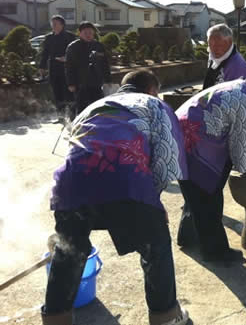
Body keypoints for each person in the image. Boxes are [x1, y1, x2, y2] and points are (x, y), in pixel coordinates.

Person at [42, 69, 190, 325]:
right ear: (152, 89)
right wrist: (153, 201)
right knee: (155, 246)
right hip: (125, 177)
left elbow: (73, 149)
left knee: (69, 251)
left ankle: (56, 319)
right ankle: (166, 317)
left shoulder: (93, 107)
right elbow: (166, 159)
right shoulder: (154, 104)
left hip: (72, 182)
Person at [175, 69, 246, 263]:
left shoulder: (236, 86)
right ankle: (216, 253)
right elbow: (243, 149)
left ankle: (188, 238)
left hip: (178, 135)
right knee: (209, 200)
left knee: (194, 195)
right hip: (195, 143)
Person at [176, 23, 246, 247]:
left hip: (216, 133)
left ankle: (190, 236)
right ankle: (197, 238)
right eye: (211, 42)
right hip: (204, 135)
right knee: (205, 188)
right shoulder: (215, 58)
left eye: (218, 42)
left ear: (229, 42)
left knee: (201, 188)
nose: (213, 46)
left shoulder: (237, 65)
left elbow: (231, 104)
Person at [65, 22, 111, 116]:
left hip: (96, 81)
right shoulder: (73, 47)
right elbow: (69, 66)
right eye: (85, 32)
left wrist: (108, 79)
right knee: (82, 107)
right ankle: (80, 125)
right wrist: (71, 83)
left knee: (98, 106)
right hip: (80, 82)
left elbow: (105, 64)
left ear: (94, 33)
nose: (88, 35)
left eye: (90, 32)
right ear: (80, 33)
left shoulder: (98, 46)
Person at [39, 15, 77, 122]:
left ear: (62, 25)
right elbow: (45, 53)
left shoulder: (70, 36)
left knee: (68, 91)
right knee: (56, 92)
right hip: (53, 68)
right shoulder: (49, 38)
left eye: (55, 24)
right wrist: (42, 66)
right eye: (52, 24)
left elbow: (75, 53)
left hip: (67, 68)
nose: (53, 26)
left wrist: (67, 58)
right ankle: (60, 116)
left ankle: (72, 115)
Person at [203, 23, 246, 90]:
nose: (214, 49)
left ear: (229, 42)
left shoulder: (237, 65)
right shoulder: (214, 55)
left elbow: (234, 96)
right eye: (210, 45)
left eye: (218, 45)